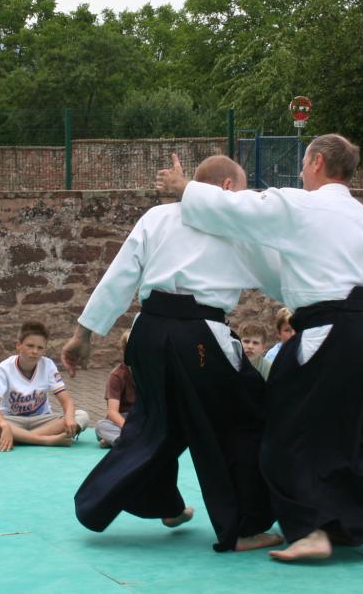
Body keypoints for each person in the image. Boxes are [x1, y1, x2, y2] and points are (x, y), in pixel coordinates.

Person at [156, 134, 363, 562]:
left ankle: (313, 529)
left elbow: (239, 206)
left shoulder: (300, 204)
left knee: (284, 431)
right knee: (345, 432)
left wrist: (185, 188)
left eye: (303, 163)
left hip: (323, 334)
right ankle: (347, 521)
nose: (299, 171)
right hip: (362, 333)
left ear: (315, 161)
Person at [62, 154, 285, 554]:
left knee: (157, 421)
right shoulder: (235, 223)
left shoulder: (155, 219)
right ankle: (242, 527)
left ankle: (158, 504)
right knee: (241, 420)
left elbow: (119, 277)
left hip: (146, 333)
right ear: (229, 189)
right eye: (245, 185)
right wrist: (321, 310)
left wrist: (84, 335)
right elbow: (278, 281)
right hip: (197, 334)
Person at [0, 320, 88, 450]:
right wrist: (4, 426)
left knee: (81, 416)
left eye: (40, 348)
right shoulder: (4, 368)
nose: (35, 351)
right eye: (30, 346)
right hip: (13, 421)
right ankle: (45, 440)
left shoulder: (48, 365)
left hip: (43, 420)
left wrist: (69, 418)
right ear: (18, 346)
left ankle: (18, 439)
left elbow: (67, 401)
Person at [94, 330, 135, 448]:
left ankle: (118, 440)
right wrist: (129, 429)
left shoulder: (152, 372)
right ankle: (122, 441)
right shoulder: (117, 375)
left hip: (142, 418)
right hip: (123, 420)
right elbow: (112, 412)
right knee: (101, 426)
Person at [261, 308, 294, 380]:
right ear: (279, 333)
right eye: (287, 330)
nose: (293, 334)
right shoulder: (272, 356)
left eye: (296, 328)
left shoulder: (304, 350)